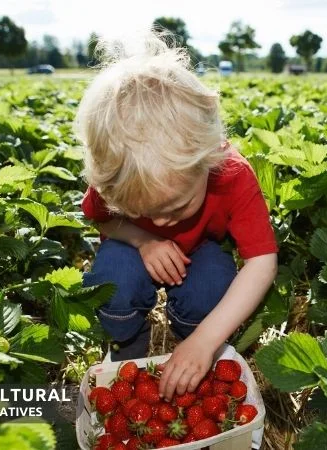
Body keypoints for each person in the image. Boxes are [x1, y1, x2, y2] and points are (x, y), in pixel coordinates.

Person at [73, 29, 278, 402]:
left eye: (177, 207)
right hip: (131, 250)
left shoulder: (232, 175)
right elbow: (99, 218)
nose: (164, 222)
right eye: (143, 211)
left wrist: (205, 340)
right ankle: (126, 345)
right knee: (112, 278)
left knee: (214, 283)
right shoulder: (117, 172)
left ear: (207, 161)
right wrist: (142, 237)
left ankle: (190, 341)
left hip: (200, 251)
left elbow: (261, 261)